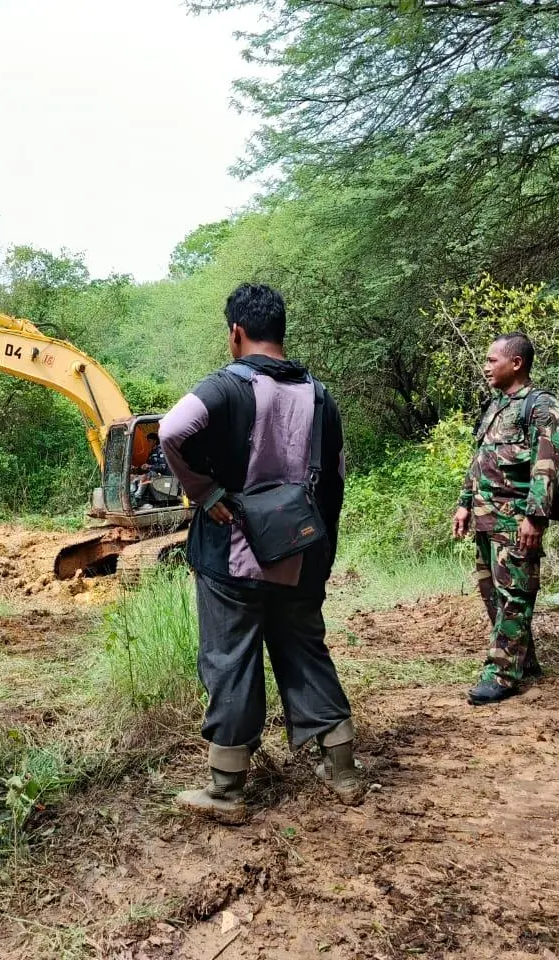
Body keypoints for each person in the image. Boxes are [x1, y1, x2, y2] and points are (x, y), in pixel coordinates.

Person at [158, 283, 363, 824]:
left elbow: (172, 430)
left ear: (235, 333)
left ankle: (226, 789)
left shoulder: (225, 387)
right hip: (303, 548)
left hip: (236, 554)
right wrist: (322, 548)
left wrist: (206, 493)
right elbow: (336, 477)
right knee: (304, 649)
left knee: (231, 657)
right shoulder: (321, 395)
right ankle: (342, 767)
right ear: (281, 330)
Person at [452, 332, 559, 706]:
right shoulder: (496, 405)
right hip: (486, 519)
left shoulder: (540, 406)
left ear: (515, 363)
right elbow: (479, 458)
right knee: (493, 595)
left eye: (492, 360)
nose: (486, 367)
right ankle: (524, 661)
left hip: (516, 521)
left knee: (515, 596)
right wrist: (464, 503)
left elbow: (547, 466)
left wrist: (535, 517)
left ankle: (501, 674)